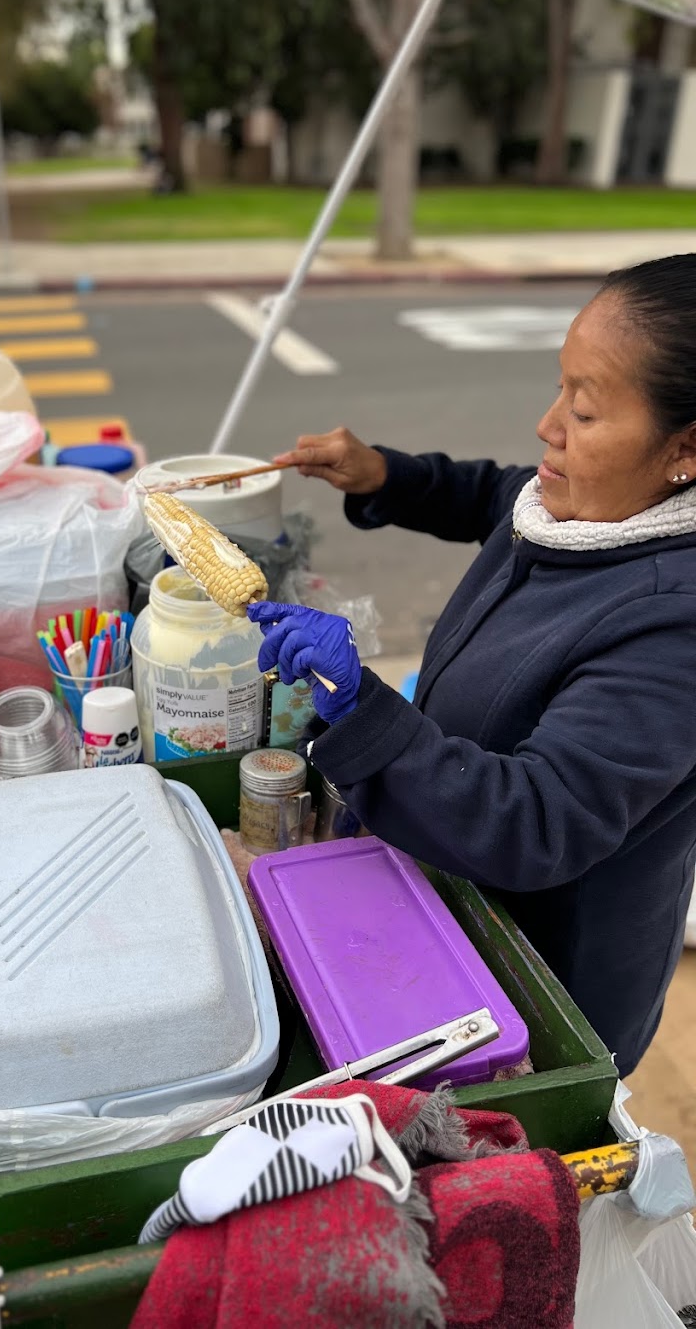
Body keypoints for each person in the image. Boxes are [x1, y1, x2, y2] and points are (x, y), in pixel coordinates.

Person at [250, 254, 696, 1078]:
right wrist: (388, 474)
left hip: (542, 980)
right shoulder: (589, 501)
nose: (549, 425)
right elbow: (498, 495)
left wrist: (363, 712)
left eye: (586, 411)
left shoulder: (675, 621)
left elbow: (535, 820)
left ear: (686, 448)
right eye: (560, 387)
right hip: (445, 878)